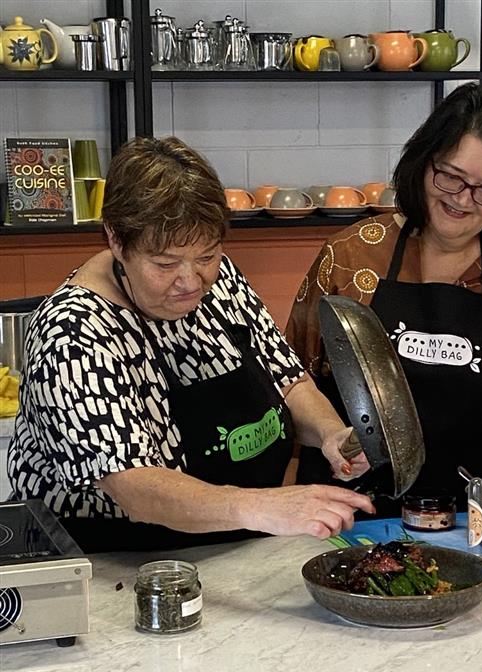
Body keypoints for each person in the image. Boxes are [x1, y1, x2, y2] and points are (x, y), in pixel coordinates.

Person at [7, 136, 373, 551]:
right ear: (116, 240)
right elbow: (135, 487)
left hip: (227, 547)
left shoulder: (218, 279)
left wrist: (329, 434)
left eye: (206, 257)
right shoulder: (72, 333)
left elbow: (286, 378)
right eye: (164, 264)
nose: (191, 282)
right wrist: (263, 508)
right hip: (107, 561)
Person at [286, 80, 482, 510]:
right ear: (423, 163)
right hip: (351, 522)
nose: (463, 201)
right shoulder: (350, 259)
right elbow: (289, 384)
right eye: (450, 176)